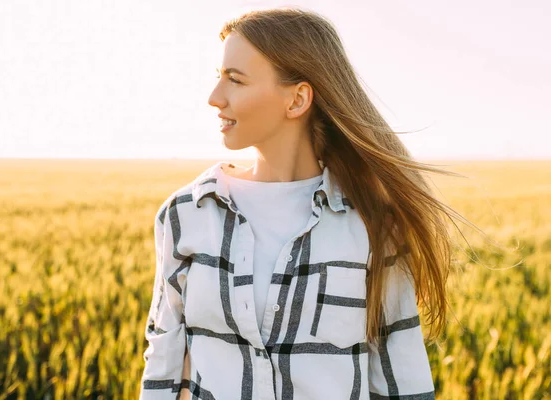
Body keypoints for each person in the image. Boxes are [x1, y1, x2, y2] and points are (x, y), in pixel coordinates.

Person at [139, 6, 465, 399]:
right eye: (218, 77)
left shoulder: (374, 226)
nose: (214, 97)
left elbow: (403, 381)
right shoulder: (185, 215)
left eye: (236, 80)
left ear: (297, 101)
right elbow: (163, 367)